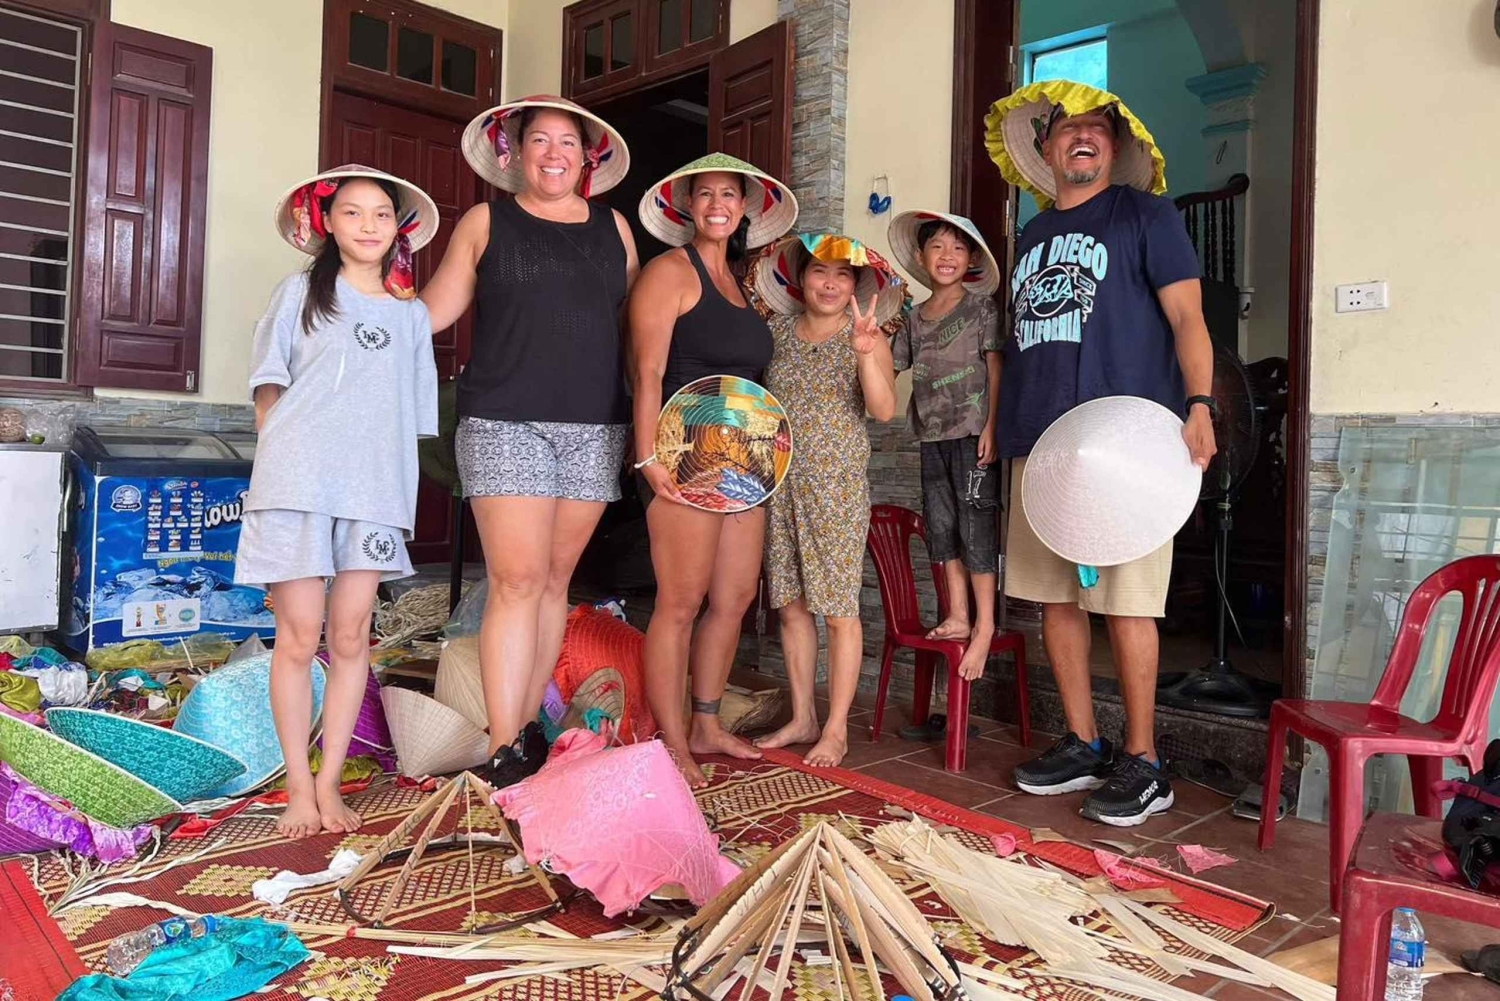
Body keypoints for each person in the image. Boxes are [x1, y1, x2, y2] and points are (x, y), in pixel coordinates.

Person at [986, 81, 1217, 826]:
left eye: (1096, 128)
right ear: (1046, 147)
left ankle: (1144, 760)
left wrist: (1201, 403)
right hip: (1039, 439)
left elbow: (1188, 317)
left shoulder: (1146, 216)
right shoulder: (1030, 233)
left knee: (1126, 603)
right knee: (1055, 598)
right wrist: (999, 426)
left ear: (1114, 148)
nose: (1081, 137)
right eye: (1067, 128)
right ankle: (1084, 742)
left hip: (1126, 440)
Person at [422, 96, 637, 786]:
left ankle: (526, 734)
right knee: (515, 580)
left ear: (587, 157)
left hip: (595, 425)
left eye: (568, 142)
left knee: (552, 583)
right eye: (539, 139)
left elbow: (636, 329)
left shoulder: (616, 229)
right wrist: (362, 291)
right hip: (504, 419)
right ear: (514, 152)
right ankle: (503, 743)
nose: (553, 153)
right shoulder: (487, 222)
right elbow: (433, 310)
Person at [237, 165, 440, 838]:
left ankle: (329, 782)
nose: (368, 225)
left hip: (373, 490)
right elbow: (268, 390)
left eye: (381, 214)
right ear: (328, 222)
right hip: (297, 483)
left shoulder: (411, 316)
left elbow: (410, 419)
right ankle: (298, 787)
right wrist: (280, 464)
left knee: (351, 634)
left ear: (398, 229)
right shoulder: (299, 293)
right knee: (298, 634)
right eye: (353, 212)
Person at [630, 153, 799, 787]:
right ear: (687, 206)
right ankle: (671, 740)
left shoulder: (742, 285)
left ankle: (705, 722)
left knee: (734, 598)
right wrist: (648, 458)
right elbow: (647, 371)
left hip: (745, 463)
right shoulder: (669, 272)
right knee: (680, 603)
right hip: (682, 456)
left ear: (746, 207)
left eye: (730, 194)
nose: (717, 205)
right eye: (705, 194)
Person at [749, 234, 906, 768]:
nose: (830, 283)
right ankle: (803, 717)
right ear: (801, 279)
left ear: (856, 286)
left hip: (836, 489)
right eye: (820, 271)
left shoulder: (868, 336)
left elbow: (883, 410)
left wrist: (864, 354)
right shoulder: (776, 333)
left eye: (843, 275)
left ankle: (835, 728)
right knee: (791, 607)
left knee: (838, 611)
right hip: (780, 486)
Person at [887, 210, 1005, 684]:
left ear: (971, 258)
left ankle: (985, 624)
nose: (947, 255)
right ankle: (958, 614)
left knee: (976, 527)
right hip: (931, 435)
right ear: (922, 256)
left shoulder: (982, 309)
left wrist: (993, 425)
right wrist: (876, 325)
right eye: (937, 246)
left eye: (958, 247)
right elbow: (889, 366)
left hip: (974, 433)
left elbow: (996, 368)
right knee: (942, 528)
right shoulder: (914, 319)